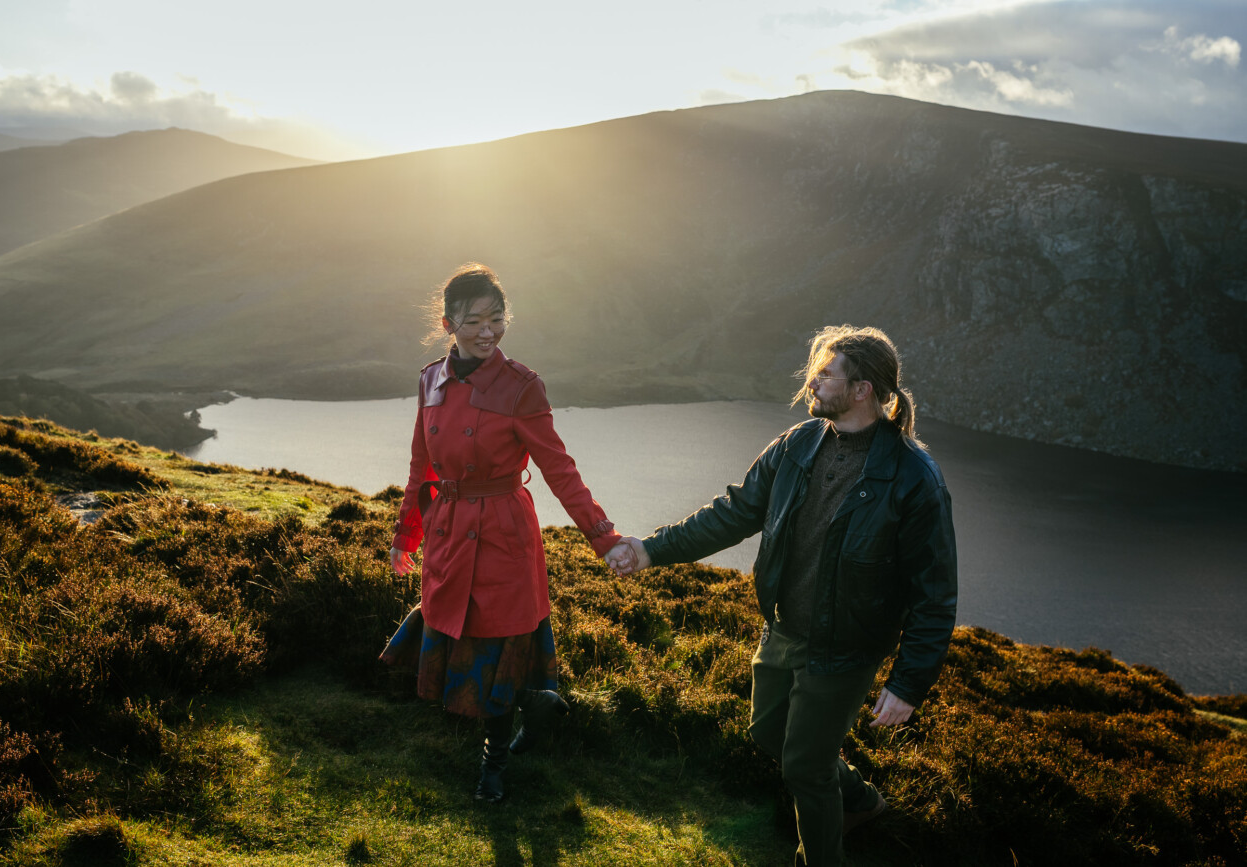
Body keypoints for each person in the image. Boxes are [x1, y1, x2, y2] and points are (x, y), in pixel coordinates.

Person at [607, 325, 957, 866]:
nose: (812, 381)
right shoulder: (798, 444)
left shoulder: (914, 480)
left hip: (845, 649)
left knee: (806, 769)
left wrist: (908, 684)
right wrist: (652, 550)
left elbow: (934, 593)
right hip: (783, 628)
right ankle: (861, 801)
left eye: (826, 373)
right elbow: (734, 513)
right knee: (768, 731)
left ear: (862, 389)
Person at [381, 263, 622, 804]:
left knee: (501, 646)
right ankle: (534, 713)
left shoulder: (522, 386)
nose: (487, 331)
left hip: (505, 533)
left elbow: (560, 470)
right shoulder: (429, 379)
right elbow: (422, 466)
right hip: (449, 525)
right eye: (473, 321)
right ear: (448, 323)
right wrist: (406, 536)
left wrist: (604, 539)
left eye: (497, 318)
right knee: (464, 638)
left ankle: (495, 759)